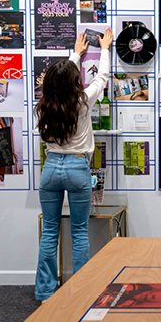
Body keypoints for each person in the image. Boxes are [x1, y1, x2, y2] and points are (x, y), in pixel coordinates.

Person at [35, 28, 114, 303]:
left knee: (50, 232)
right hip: (77, 169)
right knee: (79, 231)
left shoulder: (43, 104)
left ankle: (46, 293)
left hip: (51, 168)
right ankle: (80, 292)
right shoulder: (82, 102)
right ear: (74, 80)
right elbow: (102, 78)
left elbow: (60, 79)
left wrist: (76, 55)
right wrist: (104, 48)